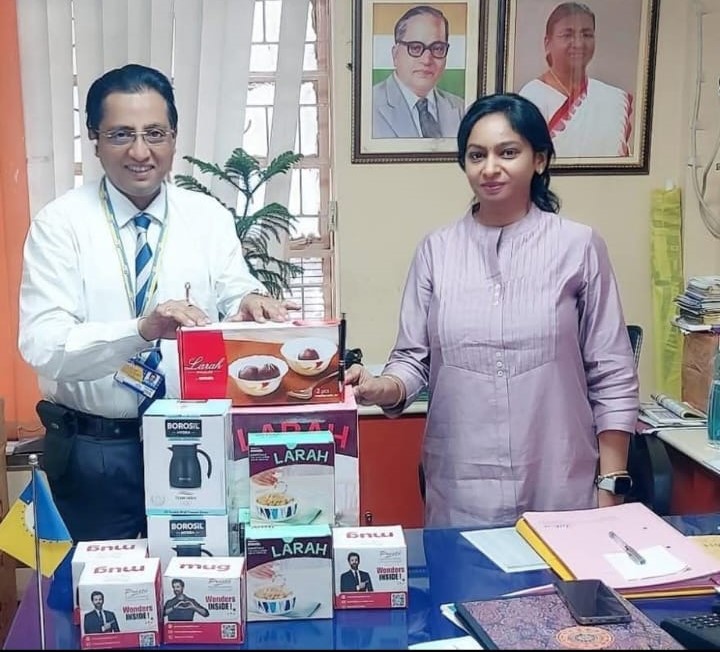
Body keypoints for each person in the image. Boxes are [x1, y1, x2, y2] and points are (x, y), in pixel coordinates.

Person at [18, 63, 297, 543]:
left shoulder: (207, 217)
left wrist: (251, 300)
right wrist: (141, 331)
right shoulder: (60, 225)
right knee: (101, 586)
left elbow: (234, 288)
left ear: (174, 136)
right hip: (96, 452)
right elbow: (44, 346)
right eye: (121, 134)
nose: (140, 151)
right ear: (94, 139)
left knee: (203, 578)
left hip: (195, 437)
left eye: (155, 133)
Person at [345, 93, 639, 528]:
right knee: (465, 574)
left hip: (560, 479)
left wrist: (611, 486)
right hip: (463, 485)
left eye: (508, 152)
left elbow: (611, 372)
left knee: (560, 575)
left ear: (539, 159)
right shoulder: (437, 251)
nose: (490, 168)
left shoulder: (579, 247)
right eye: (476, 155)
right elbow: (413, 360)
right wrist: (379, 387)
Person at [518, 2, 633, 158]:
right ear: (547, 43)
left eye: (587, 35)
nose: (579, 44)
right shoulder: (532, 97)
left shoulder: (613, 98)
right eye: (567, 35)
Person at [372, 5, 465, 139]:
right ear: (395, 54)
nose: (427, 60)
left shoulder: (461, 108)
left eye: (437, 48)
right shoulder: (368, 106)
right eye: (415, 48)